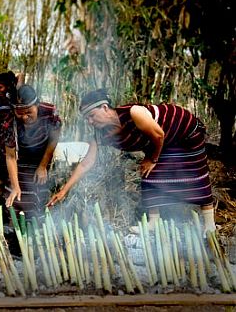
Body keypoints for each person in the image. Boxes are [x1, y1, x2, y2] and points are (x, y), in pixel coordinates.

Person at [47, 89, 217, 233]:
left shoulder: (134, 113)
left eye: (92, 116)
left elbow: (158, 134)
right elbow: (86, 163)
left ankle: (210, 225)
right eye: (87, 119)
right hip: (159, 142)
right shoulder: (101, 134)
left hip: (184, 132)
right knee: (150, 176)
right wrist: (63, 191)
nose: (90, 122)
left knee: (196, 174)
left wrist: (152, 158)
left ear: (104, 107)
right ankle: (154, 223)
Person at [4, 84, 61, 219]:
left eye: (29, 111)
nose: (24, 117)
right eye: (20, 112)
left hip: (42, 156)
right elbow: (10, 157)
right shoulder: (9, 121)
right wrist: (15, 186)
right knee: (17, 199)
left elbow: (53, 140)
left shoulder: (50, 114)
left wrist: (42, 166)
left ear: (37, 105)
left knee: (38, 198)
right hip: (20, 159)